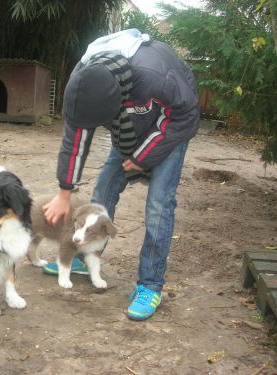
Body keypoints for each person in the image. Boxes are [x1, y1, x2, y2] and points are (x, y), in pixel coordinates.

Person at [42, 29, 199, 320]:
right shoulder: (84, 79)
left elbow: (186, 115)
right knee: (100, 196)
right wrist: (64, 192)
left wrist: (142, 158)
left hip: (169, 134)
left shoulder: (156, 75)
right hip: (126, 135)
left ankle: (150, 285)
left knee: (158, 205)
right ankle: (83, 257)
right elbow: (76, 135)